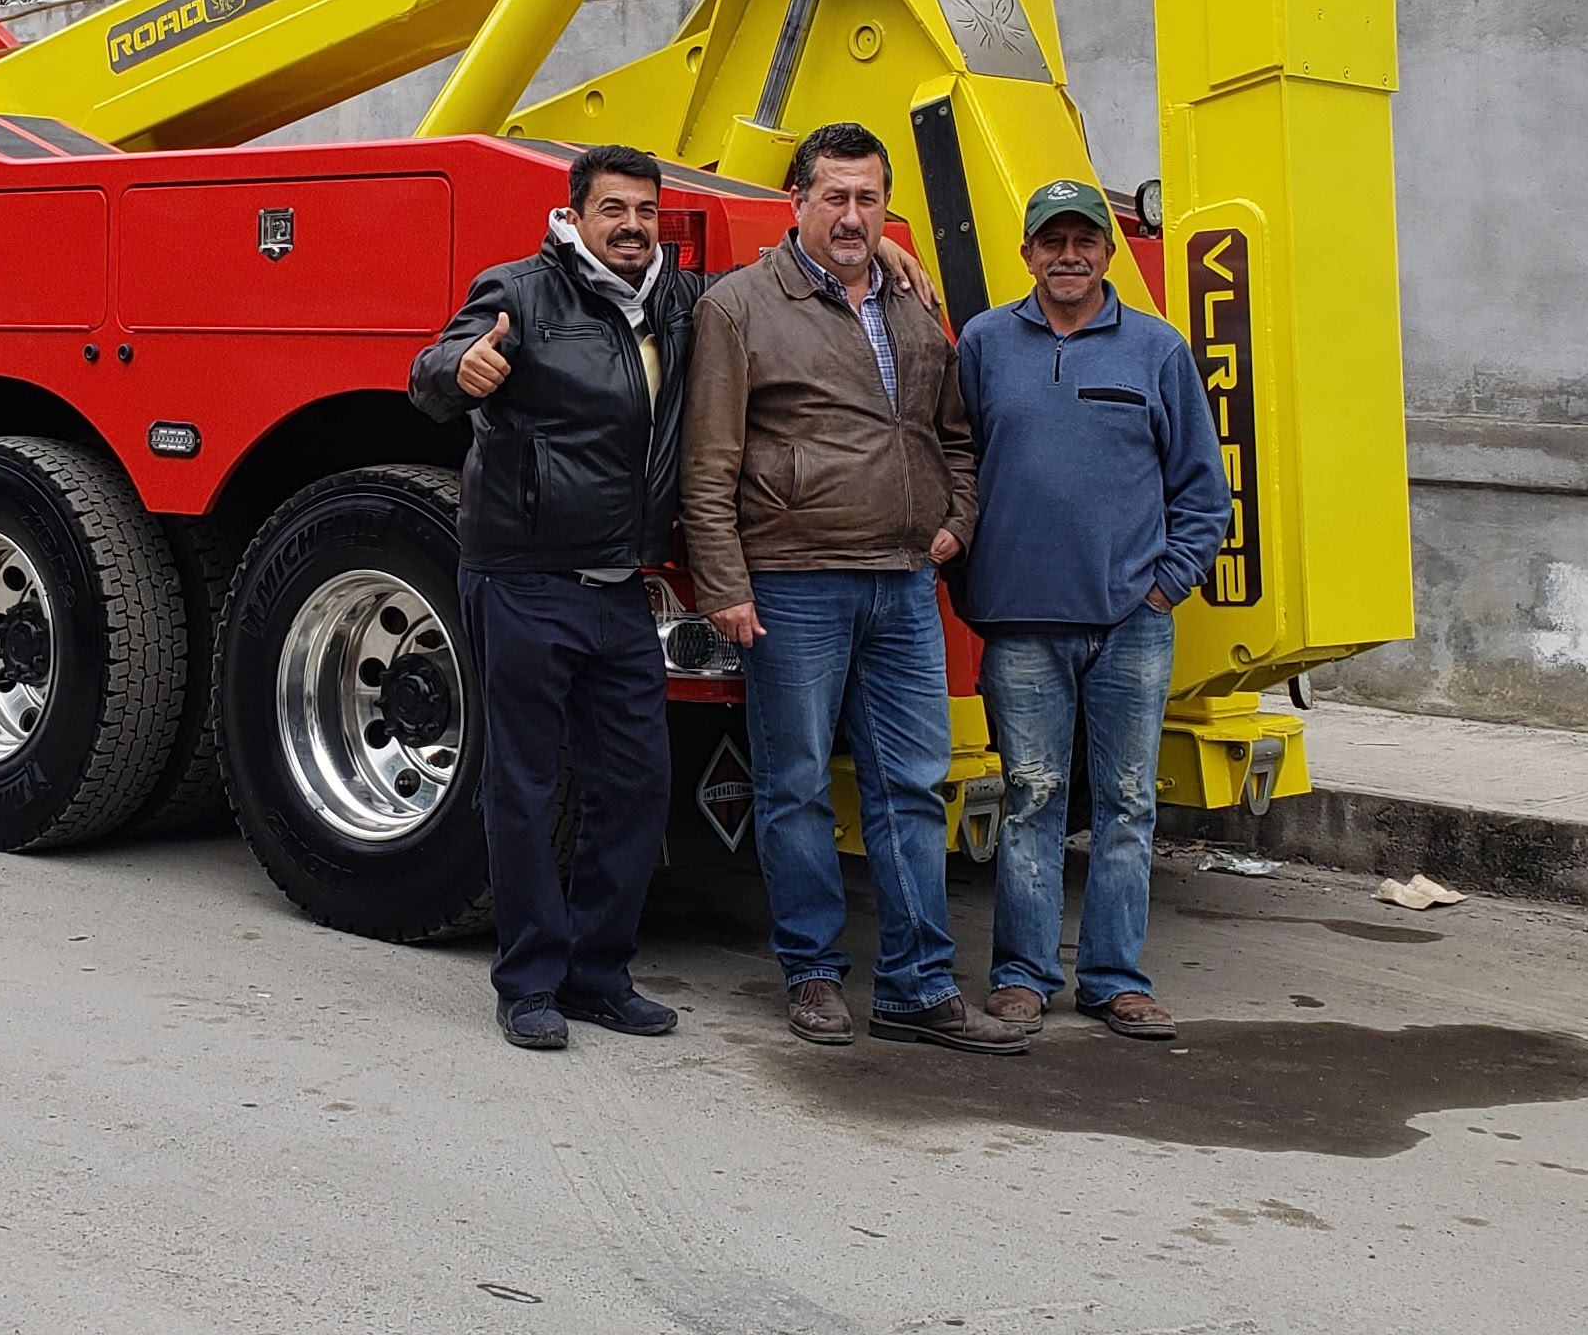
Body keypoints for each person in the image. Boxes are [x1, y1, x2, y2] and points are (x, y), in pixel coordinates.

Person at [678, 123, 1020, 1054]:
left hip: (904, 583)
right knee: (792, 787)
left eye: (868, 198)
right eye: (834, 196)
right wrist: (725, 585)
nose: (851, 215)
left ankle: (917, 985)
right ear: (796, 202)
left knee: (910, 788)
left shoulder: (912, 305)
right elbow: (707, 462)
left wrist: (957, 523)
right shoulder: (739, 307)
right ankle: (813, 974)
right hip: (792, 586)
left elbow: (953, 435)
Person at [410, 143, 698, 1050]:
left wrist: (877, 253)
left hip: (623, 589)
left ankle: (599, 974)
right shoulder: (519, 291)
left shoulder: (680, 302)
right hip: (525, 578)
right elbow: (430, 371)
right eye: (613, 209)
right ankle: (529, 982)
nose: (632, 226)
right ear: (574, 217)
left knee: (639, 785)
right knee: (525, 787)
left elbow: (779, 285)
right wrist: (463, 374)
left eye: (646, 211)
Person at [952, 178, 1231, 1041]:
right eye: (1051, 242)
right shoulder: (986, 344)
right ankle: (1023, 977)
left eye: (1085, 242)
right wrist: (975, 591)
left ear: (1107, 253)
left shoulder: (1155, 349)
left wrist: (1162, 585)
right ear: (1027, 251)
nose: (1067, 257)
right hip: (1021, 623)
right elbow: (955, 468)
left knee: (1126, 803)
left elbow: (1203, 490)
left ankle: (1115, 980)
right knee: (1032, 798)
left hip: (1131, 623)